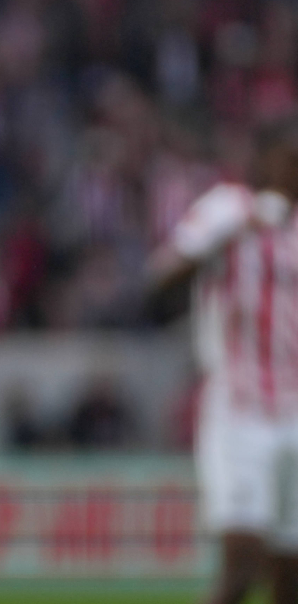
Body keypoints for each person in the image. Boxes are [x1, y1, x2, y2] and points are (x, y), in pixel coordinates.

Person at [149, 117, 298, 604]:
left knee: (290, 579)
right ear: (268, 160)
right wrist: (227, 235)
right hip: (240, 408)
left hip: (296, 413)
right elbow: (159, 281)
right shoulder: (228, 208)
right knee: (241, 568)